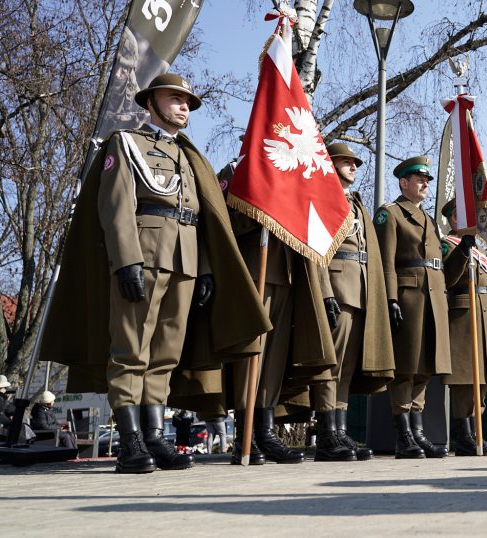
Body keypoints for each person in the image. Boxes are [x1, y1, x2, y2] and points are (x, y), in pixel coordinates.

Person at [40, 73, 272, 474]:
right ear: (151, 103)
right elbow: (115, 208)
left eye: (187, 101)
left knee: (165, 354)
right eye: (176, 99)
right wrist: (126, 260)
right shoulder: (126, 143)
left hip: (184, 258)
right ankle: (129, 439)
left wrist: (204, 270)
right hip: (144, 255)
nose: (184, 106)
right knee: (131, 348)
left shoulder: (188, 155)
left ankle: (153, 435)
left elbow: (201, 219)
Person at [219, 160, 335, 466]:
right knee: (250, 358)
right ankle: (245, 436)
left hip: (285, 274)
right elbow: (223, 221)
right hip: (253, 272)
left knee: (273, 363)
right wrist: (259, 213)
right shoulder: (235, 171)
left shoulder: (290, 177)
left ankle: (266, 432)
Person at [313, 143, 395, 462]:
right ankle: (326, 434)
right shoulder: (322, 197)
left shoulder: (356, 203)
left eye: (354, 163)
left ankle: (340, 429)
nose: (353, 167)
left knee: (345, 368)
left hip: (359, 287)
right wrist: (325, 291)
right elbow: (316, 246)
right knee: (330, 364)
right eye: (346, 162)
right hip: (337, 283)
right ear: (330, 165)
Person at [373, 155, 452, 459]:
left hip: (433, 297)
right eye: (419, 179)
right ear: (403, 183)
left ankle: (418, 433)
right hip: (408, 297)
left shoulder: (430, 220)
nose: (424, 184)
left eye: (427, 180)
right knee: (406, 368)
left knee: (425, 368)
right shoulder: (390, 214)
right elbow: (385, 261)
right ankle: (404, 434)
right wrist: (391, 298)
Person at [440, 198, 487, 456]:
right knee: (465, 377)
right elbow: (448, 277)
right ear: (452, 219)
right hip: (464, 313)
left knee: (484, 377)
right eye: (461, 215)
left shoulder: (484, 253)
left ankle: (477, 433)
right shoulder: (448, 244)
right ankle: (464, 435)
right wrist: (462, 252)